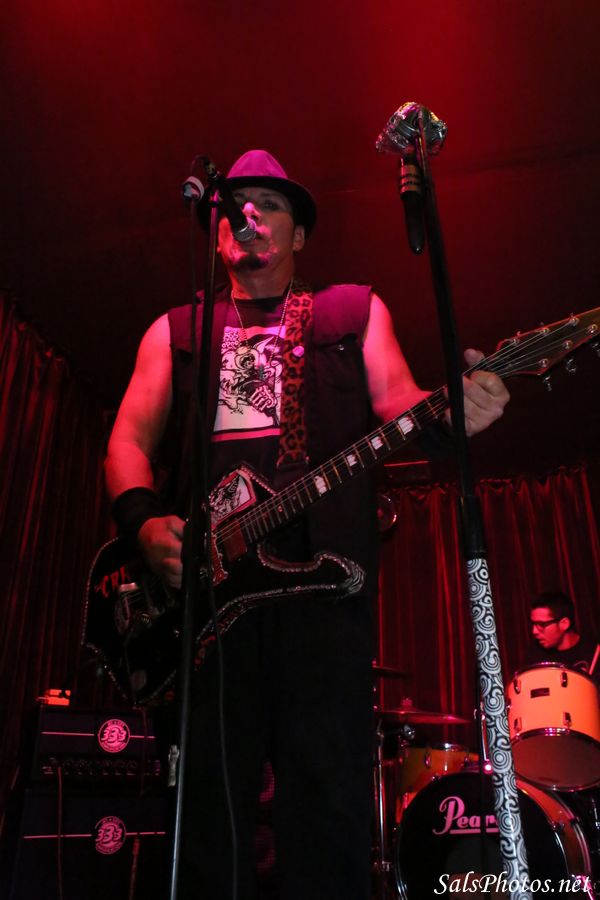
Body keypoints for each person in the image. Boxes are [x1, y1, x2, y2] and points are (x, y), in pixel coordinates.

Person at [104, 149, 510, 900]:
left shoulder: (352, 312)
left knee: (327, 811)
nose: (248, 214)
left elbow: (400, 402)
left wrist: (457, 410)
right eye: (236, 204)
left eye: (270, 204)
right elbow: (128, 439)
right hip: (208, 609)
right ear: (216, 231)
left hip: (323, 600)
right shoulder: (175, 329)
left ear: (298, 236)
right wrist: (142, 522)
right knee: (206, 821)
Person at [524, 590, 600, 681]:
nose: (534, 631)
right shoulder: (534, 655)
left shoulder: (593, 651)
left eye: (541, 624)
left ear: (564, 624)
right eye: (533, 624)